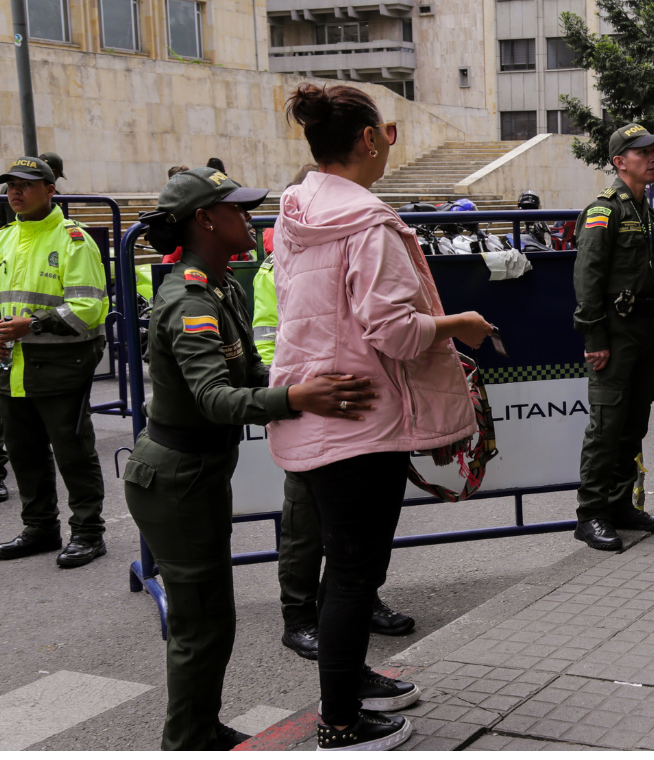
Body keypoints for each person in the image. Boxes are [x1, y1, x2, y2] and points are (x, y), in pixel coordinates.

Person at [271, 83, 495, 751]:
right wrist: (459, 323)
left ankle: (349, 681)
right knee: (353, 573)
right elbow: (394, 332)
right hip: (362, 420)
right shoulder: (368, 224)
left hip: (321, 409)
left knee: (345, 567)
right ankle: (341, 724)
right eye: (387, 133)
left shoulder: (297, 212)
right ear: (369, 139)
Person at [125, 167, 378, 750]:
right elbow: (215, 399)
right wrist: (297, 398)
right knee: (200, 625)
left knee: (213, 620)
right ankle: (188, 741)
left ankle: (201, 729)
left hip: (196, 475)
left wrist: (302, 385)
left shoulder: (222, 287)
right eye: (235, 209)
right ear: (205, 221)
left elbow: (250, 372)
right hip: (176, 480)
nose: (247, 217)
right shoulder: (189, 299)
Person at [251, 210, 417, 662]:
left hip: (360, 403)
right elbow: (268, 340)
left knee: (362, 521)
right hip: (312, 404)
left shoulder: (355, 243)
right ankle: (299, 619)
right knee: (305, 523)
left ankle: (359, 601)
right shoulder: (283, 261)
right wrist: (300, 392)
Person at [572, 123, 654, 551]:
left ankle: (619, 504)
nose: (653, 157)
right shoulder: (604, 211)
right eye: (642, 152)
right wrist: (594, 338)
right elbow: (587, 280)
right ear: (619, 162)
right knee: (606, 426)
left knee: (633, 425)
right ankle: (591, 514)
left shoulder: (646, 211)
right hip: (615, 333)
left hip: (645, 332)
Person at [0, 157, 110, 568]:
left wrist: (31, 324)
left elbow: (88, 308)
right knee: (23, 451)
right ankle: (40, 528)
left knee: (72, 451)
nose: (15, 191)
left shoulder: (74, 240)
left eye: (26, 184)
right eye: (11, 184)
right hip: (12, 366)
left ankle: (88, 532)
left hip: (62, 364)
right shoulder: (5, 237)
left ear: (50, 190)